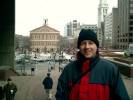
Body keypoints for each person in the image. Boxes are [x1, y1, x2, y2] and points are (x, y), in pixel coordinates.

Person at [55, 29, 130, 100]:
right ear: (79, 47)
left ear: (96, 46)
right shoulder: (68, 70)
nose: (87, 47)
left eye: (91, 43)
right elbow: (61, 96)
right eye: (83, 43)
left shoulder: (110, 70)